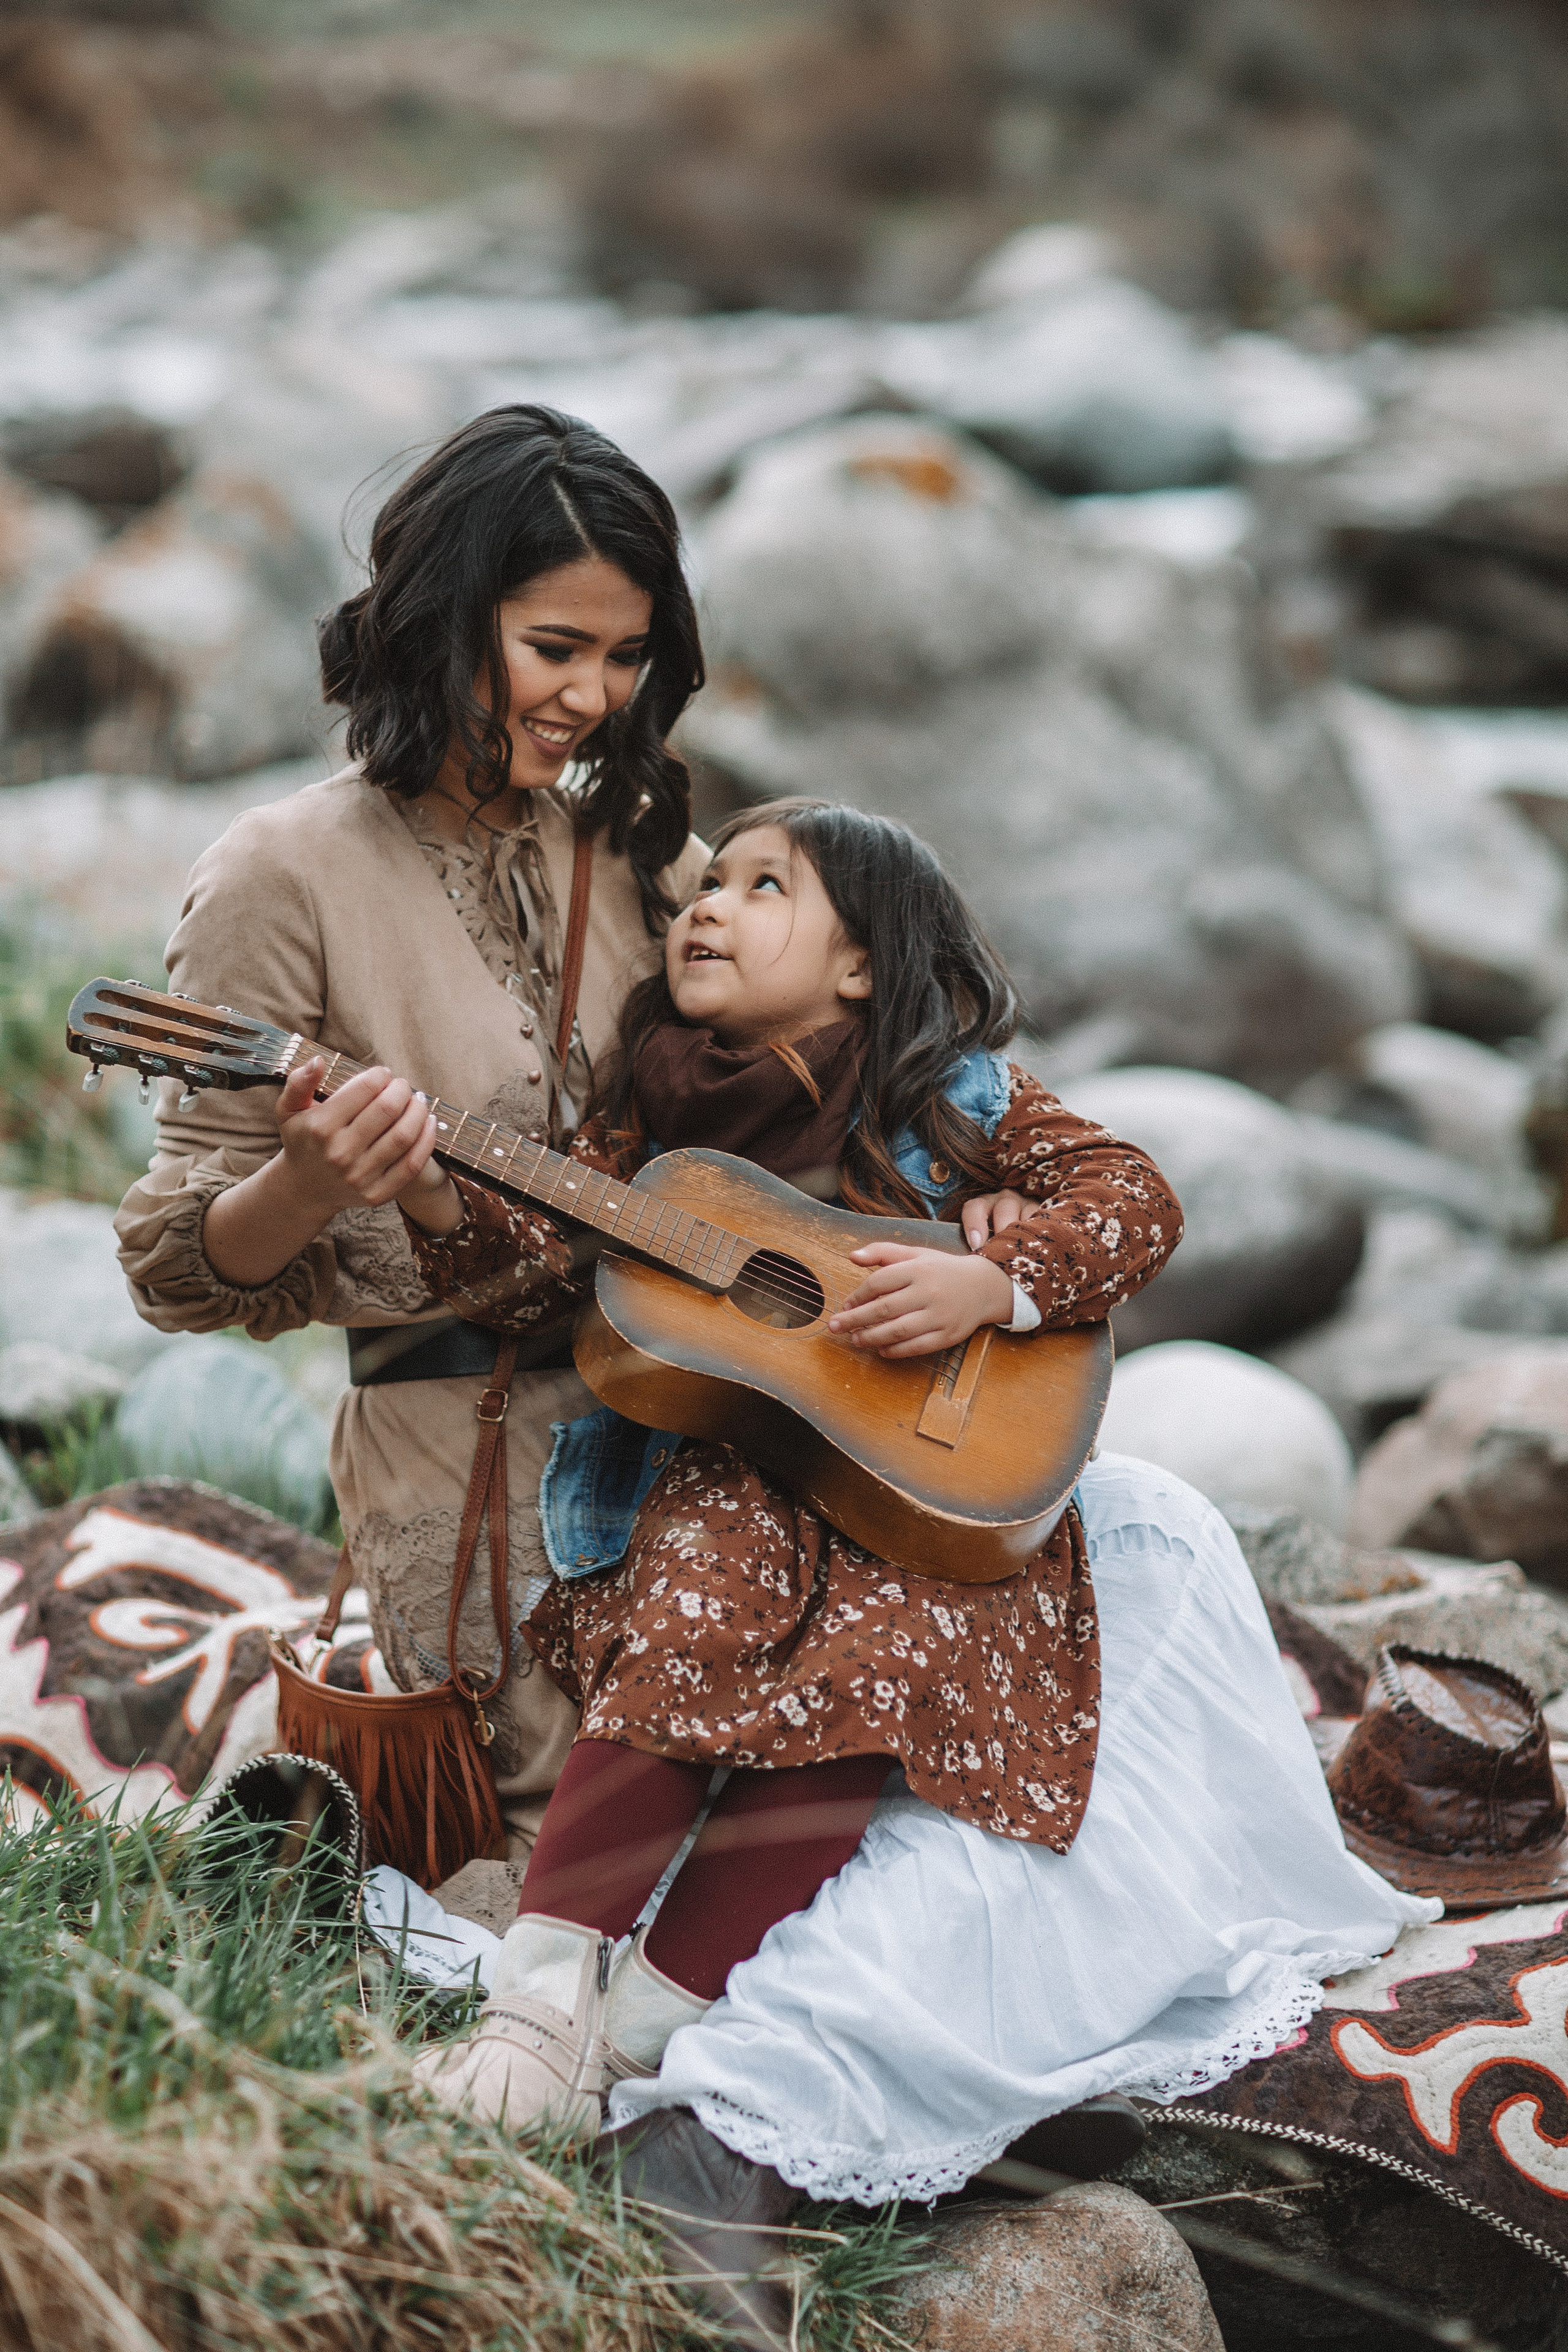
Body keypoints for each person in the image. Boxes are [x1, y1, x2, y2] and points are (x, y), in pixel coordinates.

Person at [113, 405, 710, 1850]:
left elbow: (823, 1054)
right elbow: (176, 1265)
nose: (592, 698)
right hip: (466, 1438)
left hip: (702, 1401)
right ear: (445, 621)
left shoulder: (630, 845)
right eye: (553, 649)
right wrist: (309, 1183)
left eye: (625, 657)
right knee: (589, 1852)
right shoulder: (282, 874)